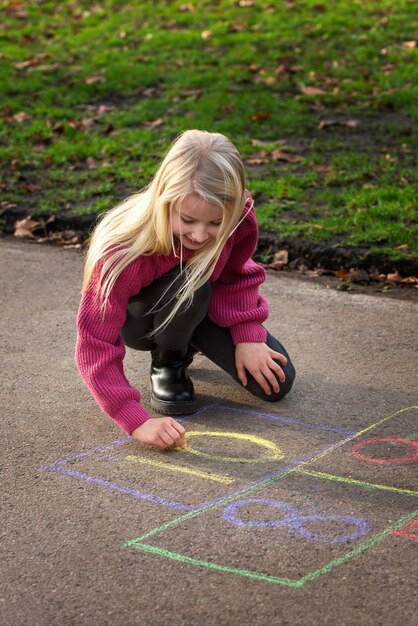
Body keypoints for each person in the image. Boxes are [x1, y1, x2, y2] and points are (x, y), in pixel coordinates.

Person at [75, 129, 295, 451]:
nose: (200, 234)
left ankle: (188, 335)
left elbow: (236, 274)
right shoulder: (122, 251)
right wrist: (135, 420)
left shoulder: (239, 218)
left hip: (197, 302)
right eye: (188, 220)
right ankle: (168, 361)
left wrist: (248, 335)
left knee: (278, 382)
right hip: (143, 322)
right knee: (186, 286)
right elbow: (95, 343)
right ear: (164, 200)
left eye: (215, 223)